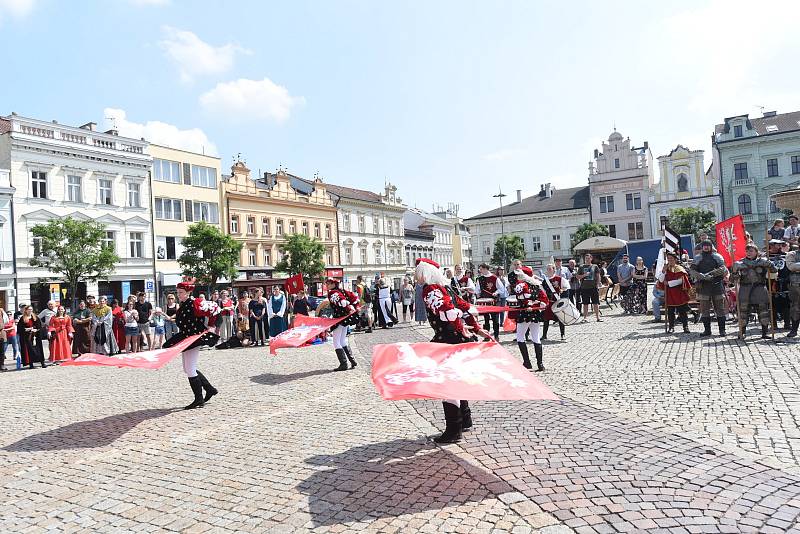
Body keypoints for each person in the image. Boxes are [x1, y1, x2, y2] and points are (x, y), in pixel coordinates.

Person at [416, 257, 483, 443]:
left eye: (419, 274)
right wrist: (474, 326)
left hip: (447, 338)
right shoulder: (446, 287)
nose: (417, 278)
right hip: (455, 337)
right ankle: (465, 420)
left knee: (447, 383)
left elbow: (447, 311)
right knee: (456, 379)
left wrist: (466, 323)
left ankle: (454, 430)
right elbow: (465, 307)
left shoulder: (430, 289)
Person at [162, 278, 220, 410]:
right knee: (187, 368)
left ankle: (199, 399)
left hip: (194, 338)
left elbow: (214, 310)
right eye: (178, 292)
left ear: (188, 293)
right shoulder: (183, 304)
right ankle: (209, 389)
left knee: (190, 368)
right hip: (186, 337)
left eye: (181, 292)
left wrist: (211, 326)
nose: (179, 295)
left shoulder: (195, 303)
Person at [731, 244, 774, 340]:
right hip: (745, 289)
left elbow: (774, 272)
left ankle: (764, 332)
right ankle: (742, 332)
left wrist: (770, 265)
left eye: (751, 251)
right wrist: (734, 271)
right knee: (743, 312)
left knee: (763, 311)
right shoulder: (740, 263)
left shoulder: (763, 262)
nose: (748, 253)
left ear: (756, 252)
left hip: (760, 289)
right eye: (747, 251)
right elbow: (732, 280)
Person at [316, 277, 360, 371]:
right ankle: (352, 361)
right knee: (342, 341)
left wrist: (348, 306)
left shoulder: (332, 292)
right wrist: (353, 306)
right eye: (326, 283)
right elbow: (354, 298)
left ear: (333, 284)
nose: (326, 285)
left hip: (339, 319)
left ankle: (343, 364)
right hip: (345, 319)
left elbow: (340, 300)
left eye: (328, 283)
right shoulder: (343, 291)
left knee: (336, 342)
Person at [511, 265, 548, 371]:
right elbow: (545, 301)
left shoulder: (521, 285)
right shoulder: (537, 286)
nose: (517, 277)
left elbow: (522, 298)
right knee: (536, 338)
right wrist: (536, 304)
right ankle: (540, 364)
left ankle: (527, 362)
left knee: (520, 337)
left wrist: (529, 305)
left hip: (524, 314)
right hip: (535, 314)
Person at [689, 240, 728, 337]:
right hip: (703, 286)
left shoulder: (717, 257)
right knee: (704, 310)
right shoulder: (698, 258)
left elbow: (723, 269)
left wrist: (715, 273)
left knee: (720, 309)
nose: (706, 247)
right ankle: (707, 330)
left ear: (711, 246)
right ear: (702, 247)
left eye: (708, 246)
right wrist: (702, 276)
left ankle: (722, 330)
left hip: (717, 285)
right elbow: (692, 271)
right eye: (704, 246)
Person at [659, 252, 692, 333]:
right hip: (669, 293)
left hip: (679, 293)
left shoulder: (679, 268)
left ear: (675, 259)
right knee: (670, 312)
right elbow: (660, 280)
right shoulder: (666, 268)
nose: (670, 260)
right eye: (668, 258)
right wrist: (663, 271)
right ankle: (671, 327)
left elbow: (681, 280)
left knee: (682, 311)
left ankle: (685, 327)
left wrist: (669, 283)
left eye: (671, 258)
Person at [475, 263, 501, 340]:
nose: (480, 270)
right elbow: (477, 289)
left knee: (495, 320)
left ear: (486, 269)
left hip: (494, 301)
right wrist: (478, 294)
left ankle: (496, 336)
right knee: (486, 320)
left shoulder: (494, 278)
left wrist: (496, 293)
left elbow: (501, 289)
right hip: (484, 301)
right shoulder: (480, 279)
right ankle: (487, 336)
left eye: (481, 269)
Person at [541, 263, 565, 342]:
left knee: (560, 318)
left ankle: (562, 334)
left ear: (554, 269)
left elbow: (566, 287)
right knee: (546, 319)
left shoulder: (559, 278)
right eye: (547, 269)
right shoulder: (545, 281)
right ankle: (544, 335)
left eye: (549, 269)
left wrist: (561, 290)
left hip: (557, 301)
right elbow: (542, 291)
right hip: (549, 302)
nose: (548, 270)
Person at [576, 254, 601, 322]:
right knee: (585, 303)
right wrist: (584, 275)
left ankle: (598, 318)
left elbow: (598, 276)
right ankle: (585, 318)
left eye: (588, 258)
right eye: (586, 258)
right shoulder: (581, 267)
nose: (587, 259)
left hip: (593, 287)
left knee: (595, 303)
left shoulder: (595, 266)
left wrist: (598, 284)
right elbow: (577, 277)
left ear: (591, 258)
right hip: (584, 288)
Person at [785, 247, 800, 337]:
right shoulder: (792, 254)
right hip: (796, 285)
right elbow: (791, 266)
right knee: (795, 307)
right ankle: (794, 330)